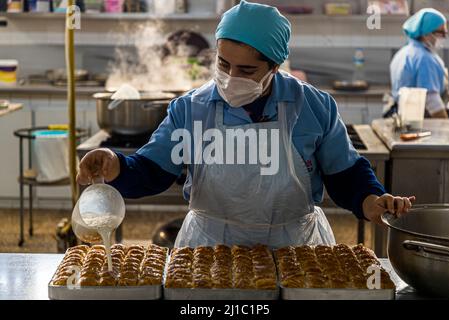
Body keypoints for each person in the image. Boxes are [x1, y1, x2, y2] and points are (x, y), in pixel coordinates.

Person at [78, 1, 414, 248]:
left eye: (247, 71)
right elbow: (151, 171)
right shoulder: (191, 110)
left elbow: (346, 175)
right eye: (223, 64)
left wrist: (371, 200)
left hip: (294, 246)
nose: (230, 78)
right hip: (209, 246)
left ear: (275, 66)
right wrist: (116, 166)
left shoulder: (312, 106)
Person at [390, 8, 449, 118]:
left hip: (402, 116)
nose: (444, 37)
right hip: (421, 121)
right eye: (440, 33)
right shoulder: (425, 58)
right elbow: (432, 101)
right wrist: (445, 124)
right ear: (426, 33)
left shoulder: (404, 52)